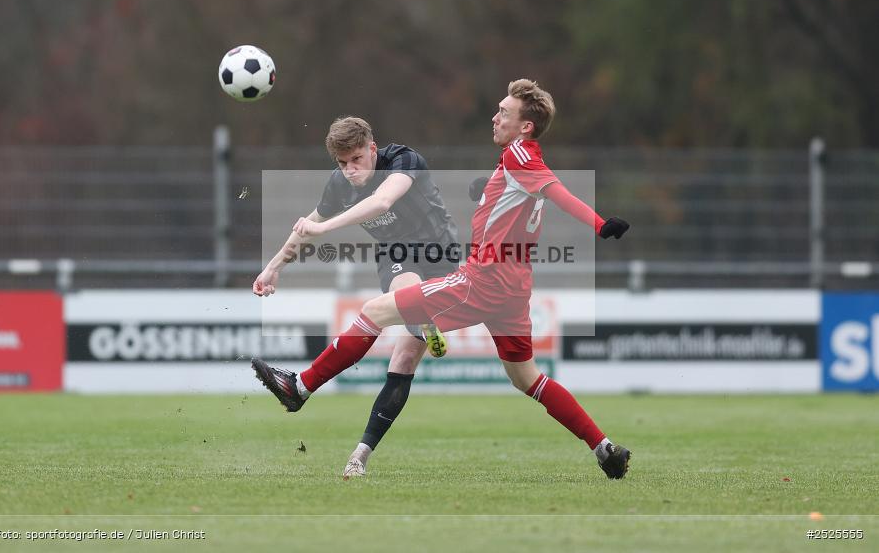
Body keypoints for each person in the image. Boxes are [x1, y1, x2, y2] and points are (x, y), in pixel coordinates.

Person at [253, 80, 633, 479]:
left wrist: (600, 224)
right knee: (528, 378)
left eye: (504, 111)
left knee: (374, 311)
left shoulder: (514, 154)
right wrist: (275, 265)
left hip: (477, 277)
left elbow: (553, 190)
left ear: (525, 126)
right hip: (512, 287)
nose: (495, 116)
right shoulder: (512, 160)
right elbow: (523, 198)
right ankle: (605, 449)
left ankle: (301, 387)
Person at [252, 116, 459, 478]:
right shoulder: (339, 185)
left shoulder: (403, 161)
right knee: (406, 317)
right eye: (342, 163)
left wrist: (324, 226)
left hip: (442, 255)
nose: (350, 169)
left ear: (372, 149)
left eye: (357, 159)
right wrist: (274, 267)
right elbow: (307, 228)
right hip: (397, 255)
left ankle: (344, 428)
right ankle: (358, 457)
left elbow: (381, 201)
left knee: (406, 351)